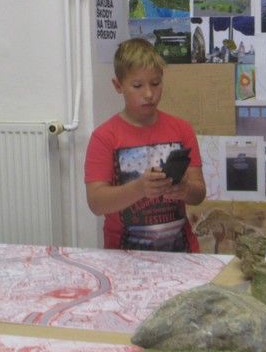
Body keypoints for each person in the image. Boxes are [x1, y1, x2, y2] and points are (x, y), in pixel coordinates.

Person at [85, 38, 206, 251]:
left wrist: (185, 189)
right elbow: (96, 203)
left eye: (156, 83)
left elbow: (199, 194)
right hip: (123, 256)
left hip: (181, 252)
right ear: (118, 85)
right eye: (137, 86)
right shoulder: (104, 137)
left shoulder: (182, 129)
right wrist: (140, 188)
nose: (149, 94)